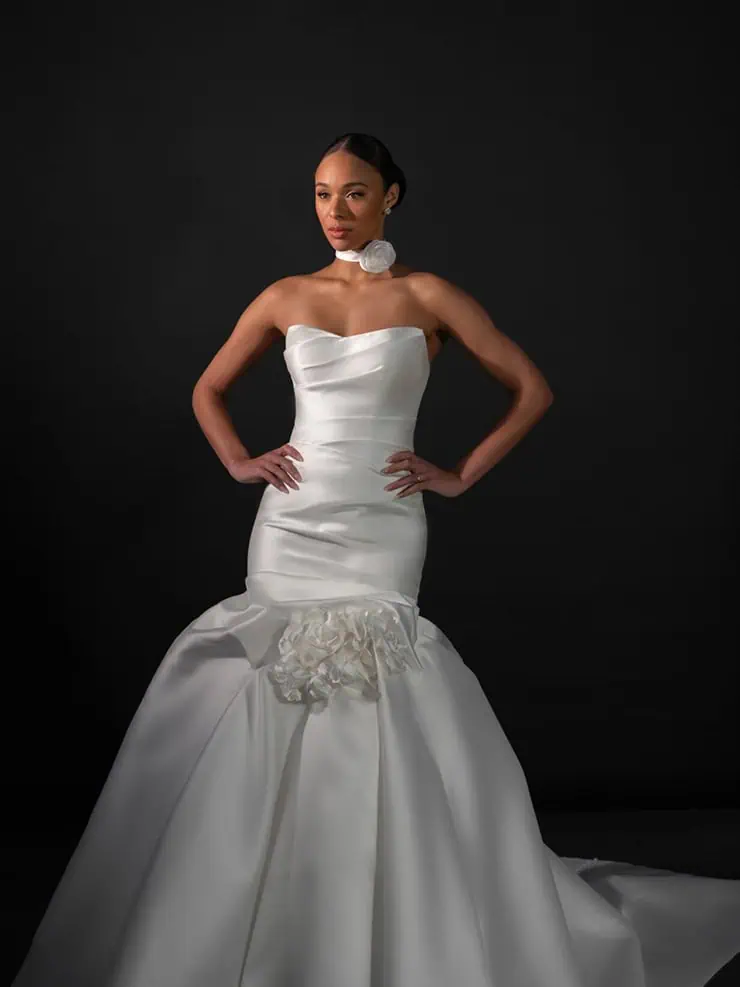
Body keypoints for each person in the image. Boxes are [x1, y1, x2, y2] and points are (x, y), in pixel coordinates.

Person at [12, 132, 740, 987]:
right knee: (269, 688)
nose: (335, 211)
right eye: (322, 193)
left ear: (391, 196)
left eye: (354, 192)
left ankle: (389, 911)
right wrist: (241, 461)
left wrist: (460, 473)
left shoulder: (428, 294)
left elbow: (531, 388)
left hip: (382, 523)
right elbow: (208, 388)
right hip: (291, 522)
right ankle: (272, 909)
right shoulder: (285, 295)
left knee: (380, 692)